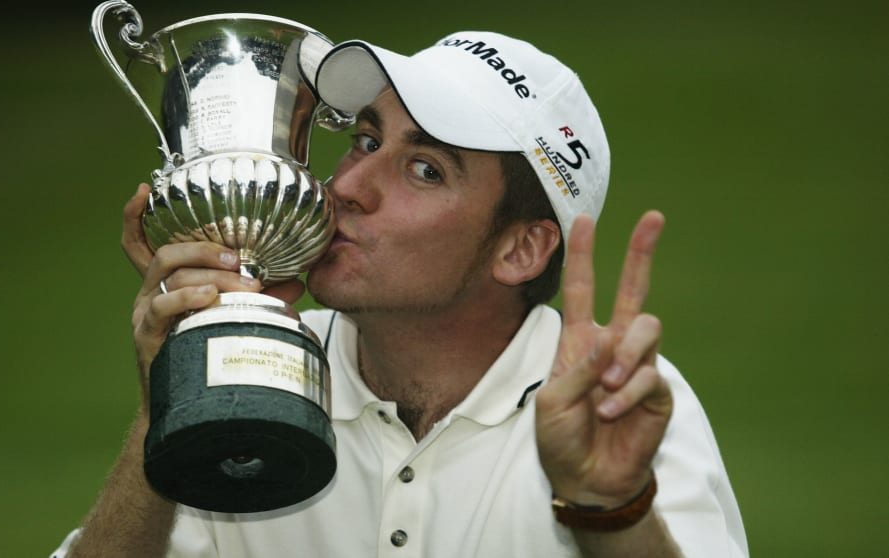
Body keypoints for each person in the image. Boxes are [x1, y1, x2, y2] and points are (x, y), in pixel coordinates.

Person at [54, 30, 748, 557]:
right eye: (363, 139)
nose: (349, 186)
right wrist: (170, 404)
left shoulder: (608, 403)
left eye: (423, 169)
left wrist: (611, 509)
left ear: (520, 249)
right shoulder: (253, 365)